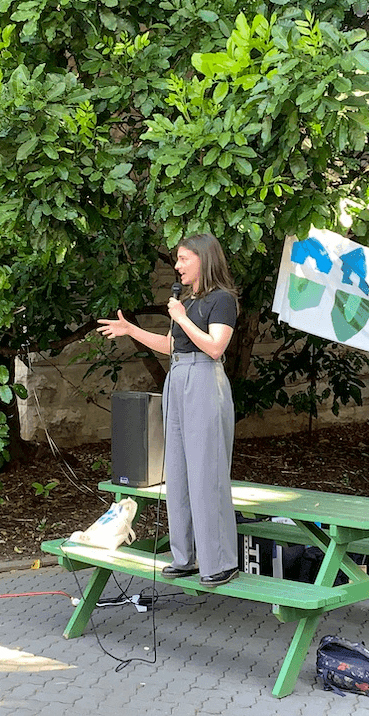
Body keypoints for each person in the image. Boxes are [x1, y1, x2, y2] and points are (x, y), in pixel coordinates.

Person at [97, 234, 241, 588]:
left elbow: (215, 347)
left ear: (203, 260)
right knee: (176, 472)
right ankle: (185, 556)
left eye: (183, 259)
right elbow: (171, 345)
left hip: (205, 381)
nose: (177, 266)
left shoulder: (222, 300)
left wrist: (180, 316)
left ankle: (219, 562)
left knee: (206, 473)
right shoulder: (188, 302)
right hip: (177, 377)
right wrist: (131, 329)